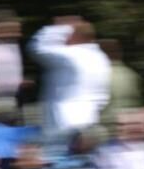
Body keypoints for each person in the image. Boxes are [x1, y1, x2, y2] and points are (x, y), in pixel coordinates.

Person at [29, 17, 112, 155]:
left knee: (56, 165)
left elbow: (36, 47)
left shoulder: (71, 55)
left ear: (73, 36)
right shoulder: (101, 59)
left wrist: (60, 28)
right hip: (89, 122)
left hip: (62, 124)